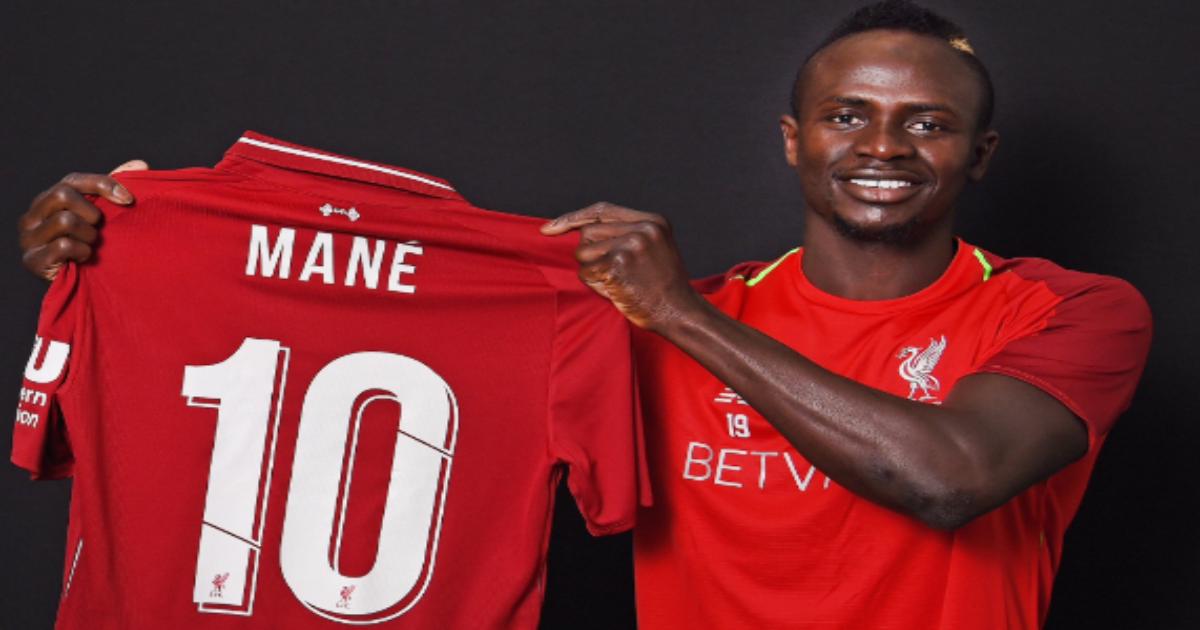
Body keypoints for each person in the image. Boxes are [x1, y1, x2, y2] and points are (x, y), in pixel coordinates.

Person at [15, 1, 1151, 628]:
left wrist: (678, 318)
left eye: (928, 124)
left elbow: (951, 479)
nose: (884, 147)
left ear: (980, 153)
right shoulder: (629, 323)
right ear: (794, 139)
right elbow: (356, 361)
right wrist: (132, 260)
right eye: (848, 116)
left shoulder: (1073, 311)